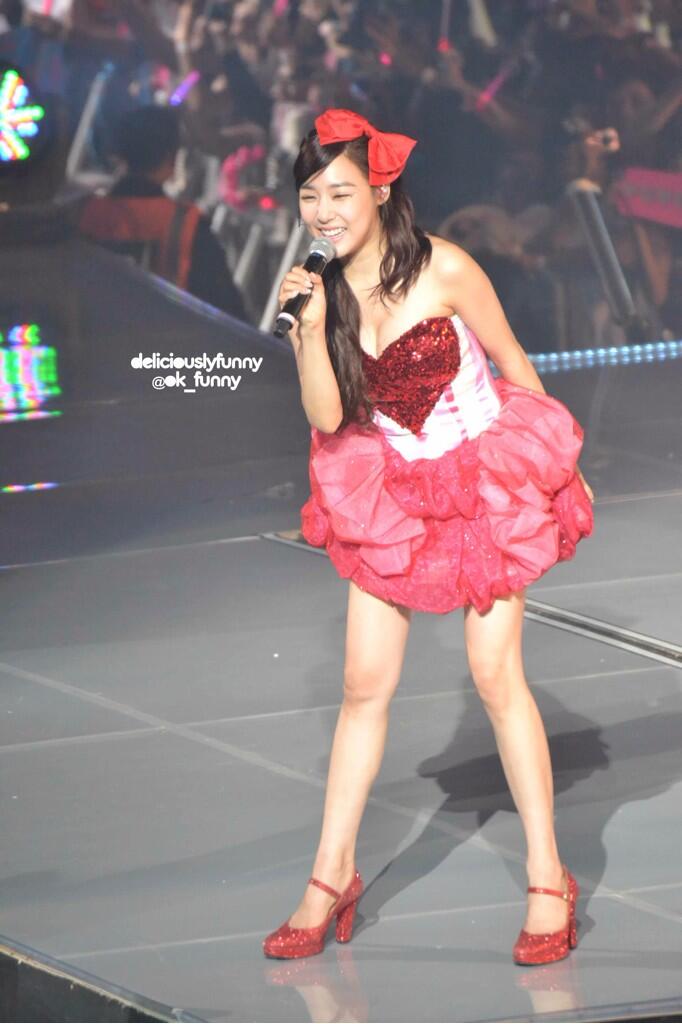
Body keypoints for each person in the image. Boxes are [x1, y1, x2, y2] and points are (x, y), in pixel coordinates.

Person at [263, 108, 594, 967]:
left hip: (483, 483)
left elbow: (512, 358)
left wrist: (557, 464)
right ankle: (331, 876)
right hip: (393, 489)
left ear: (379, 191)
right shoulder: (322, 290)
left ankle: (548, 877)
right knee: (361, 684)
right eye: (310, 195)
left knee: (494, 674)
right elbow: (328, 417)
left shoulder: (444, 266)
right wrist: (307, 331)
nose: (324, 211)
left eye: (340, 192)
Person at [78, 105, 246, 320]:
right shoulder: (187, 225)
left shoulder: (82, 214)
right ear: (171, 157)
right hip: (165, 338)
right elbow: (229, 314)